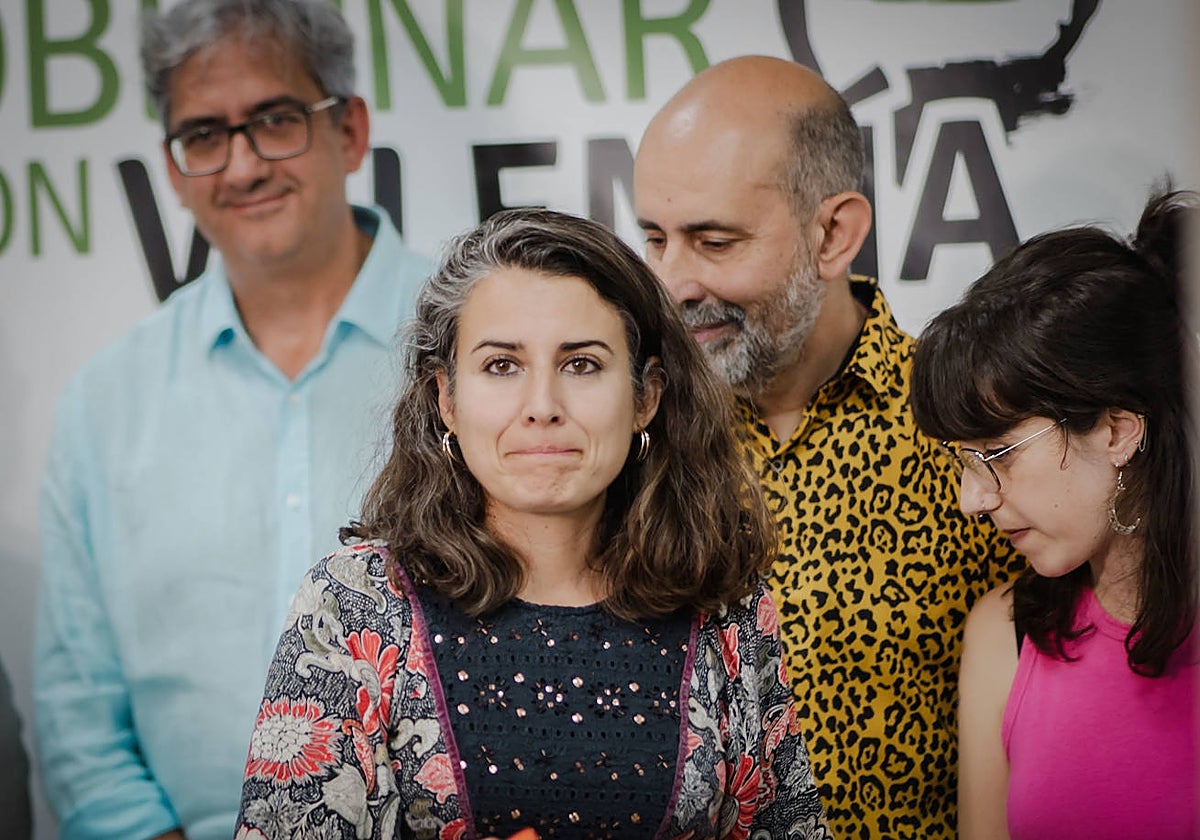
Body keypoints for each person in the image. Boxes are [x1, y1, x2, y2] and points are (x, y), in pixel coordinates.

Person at [234, 208, 833, 840]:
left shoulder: (727, 607)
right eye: (501, 366)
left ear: (645, 397)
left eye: (581, 365)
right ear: (446, 398)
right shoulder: (352, 608)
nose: (542, 407)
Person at [34, 1, 430, 838]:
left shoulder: (482, 350)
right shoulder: (107, 402)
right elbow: (77, 712)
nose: (243, 165)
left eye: (276, 120)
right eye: (204, 135)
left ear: (350, 131)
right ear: (174, 168)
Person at [633, 55, 1020, 839]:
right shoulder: (628, 443)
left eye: (713, 241)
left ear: (834, 233)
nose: (671, 283)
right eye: (655, 240)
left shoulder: (971, 435)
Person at [909, 190, 1198, 840]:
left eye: (998, 456)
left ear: (1118, 430)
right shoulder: (1005, 635)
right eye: (962, 461)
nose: (972, 500)